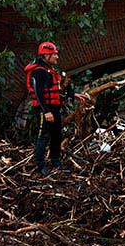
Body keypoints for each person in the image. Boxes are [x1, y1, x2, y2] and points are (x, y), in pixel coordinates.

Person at [25, 41, 90, 176]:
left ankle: (56, 163)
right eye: (54, 54)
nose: (57, 57)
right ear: (46, 55)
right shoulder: (38, 72)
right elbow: (38, 93)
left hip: (54, 108)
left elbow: (57, 91)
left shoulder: (50, 71)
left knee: (57, 135)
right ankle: (41, 166)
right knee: (43, 137)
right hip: (45, 110)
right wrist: (46, 111)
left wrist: (73, 95)